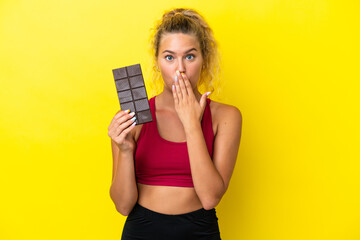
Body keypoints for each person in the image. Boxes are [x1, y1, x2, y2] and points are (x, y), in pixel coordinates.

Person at [108, 8, 242, 240]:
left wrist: (191, 124)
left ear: (204, 59)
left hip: (200, 230)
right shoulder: (133, 117)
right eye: (169, 57)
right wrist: (126, 150)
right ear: (158, 62)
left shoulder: (226, 117)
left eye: (189, 56)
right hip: (141, 230)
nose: (180, 69)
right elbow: (122, 206)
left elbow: (210, 198)